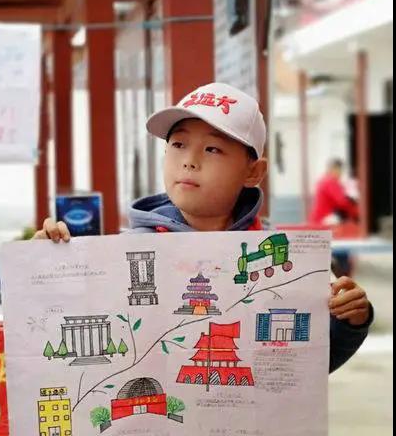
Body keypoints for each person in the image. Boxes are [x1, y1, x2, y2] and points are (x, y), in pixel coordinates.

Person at [35, 82, 373, 373]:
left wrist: (351, 320)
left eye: (212, 148)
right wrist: (43, 270)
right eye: (178, 145)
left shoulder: (288, 258)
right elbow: (64, 334)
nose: (189, 160)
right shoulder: (126, 253)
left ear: (253, 172)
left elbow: (304, 369)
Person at [309, 159, 360, 226]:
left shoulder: (322, 180)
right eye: (340, 170)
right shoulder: (331, 181)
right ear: (334, 169)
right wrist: (355, 207)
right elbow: (342, 202)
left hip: (317, 219)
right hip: (324, 219)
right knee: (347, 218)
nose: (341, 173)